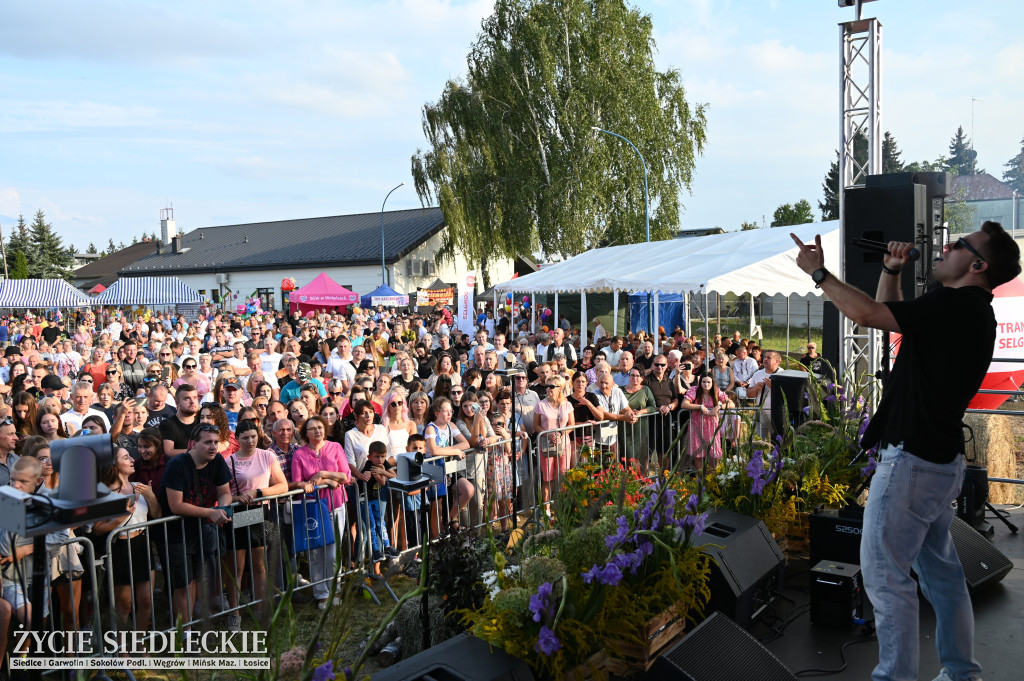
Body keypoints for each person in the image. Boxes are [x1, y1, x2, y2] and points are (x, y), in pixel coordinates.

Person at [791, 222, 1021, 681]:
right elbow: (890, 315)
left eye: (959, 244)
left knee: (884, 575)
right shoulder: (965, 309)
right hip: (936, 462)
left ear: (977, 265)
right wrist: (892, 270)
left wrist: (820, 275)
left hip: (913, 462)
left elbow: (869, 316)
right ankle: (960, 672)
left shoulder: (956, 305)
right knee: (941, 575)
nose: (946, 245)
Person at [157, 423, 232, 626]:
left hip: (203, 531)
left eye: (216, 442)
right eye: (207, 442)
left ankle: (193, 625)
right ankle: (184, 634)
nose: (213, 447)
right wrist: (211, 512)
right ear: (192, 444)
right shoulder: (177, 464)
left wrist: (221, 509)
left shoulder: (217, 461)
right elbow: (176, 505)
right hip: (176, 534)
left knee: (200, 581)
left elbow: (225, 492)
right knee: (183, 585)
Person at [224, 419, 289, 631]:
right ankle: (235, 615)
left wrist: (258, 493)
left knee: (260, 565)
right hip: (239, 514)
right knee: (238, 568)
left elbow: (282, 485)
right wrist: (238, 498)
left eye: (253, 436)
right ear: (238, 439)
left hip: (261, 511)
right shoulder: (229, 461)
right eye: (245, 438)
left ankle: (262, 608)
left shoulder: (267, 455)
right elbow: (224, 495)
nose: (250, 441)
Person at [96, 447, 160, 631]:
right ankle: (122, 649)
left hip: (142, 545)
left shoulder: (139, 485)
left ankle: (139, 643)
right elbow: (98, 529)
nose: (133, 459)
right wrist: (120, 517)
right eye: (126, 457)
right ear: (114, 465)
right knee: (123, 605)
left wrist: (151, 496)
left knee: (146, 601)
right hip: (119, 548)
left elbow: (157, 514)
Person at [291, 415, 351, 610]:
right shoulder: (299, 454)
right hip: (313, 508)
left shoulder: (335, 447)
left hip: (335, 505)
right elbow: (302, 484)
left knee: (333, 552)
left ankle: (336, 588)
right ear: (305, 434)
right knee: (316, 552)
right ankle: (321, 594)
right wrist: (328, 483)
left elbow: (345, 476)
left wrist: (323, 475)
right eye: (312, 428)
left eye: (320, 427)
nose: (317, 430)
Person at [681, 375, 727, 466]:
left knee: (713, 454)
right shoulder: (695, 390)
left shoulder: (716, 391)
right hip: (697, 426)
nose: (706, 384)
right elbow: (684, 404)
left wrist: (718, 406)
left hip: (712, 427)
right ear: (700, 382)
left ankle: (712, 478)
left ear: (712, 383)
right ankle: (700, 479)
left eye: (708, 382)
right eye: (704, 382)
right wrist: (700, 406)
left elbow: (731, 403)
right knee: (697, 454)